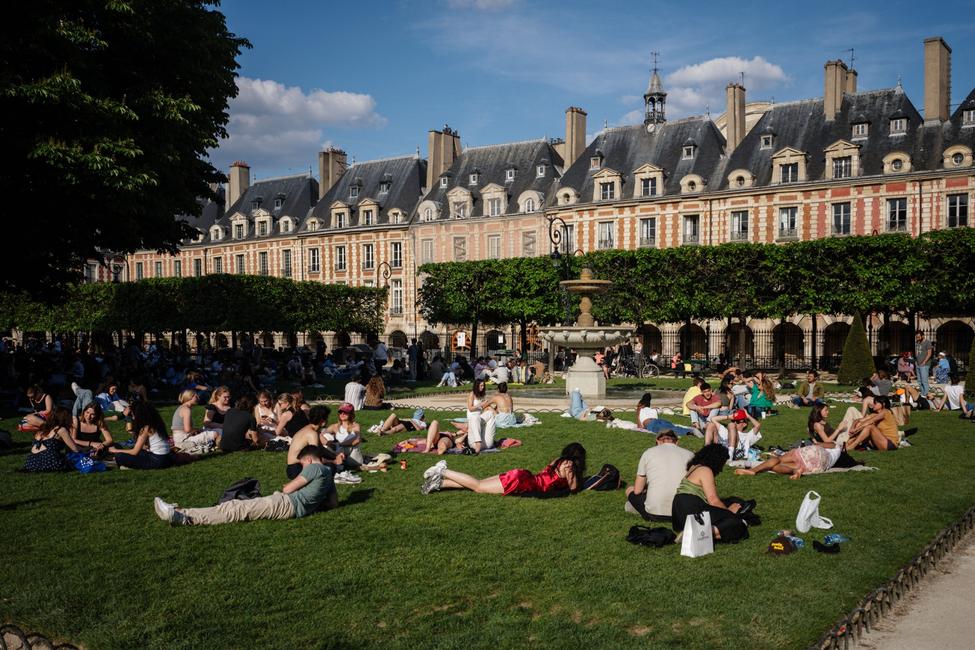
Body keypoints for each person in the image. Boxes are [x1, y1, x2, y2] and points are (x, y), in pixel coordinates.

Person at [153, 445, 338, 526]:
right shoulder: (328, 474)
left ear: (308, 459)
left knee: (235, 509)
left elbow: (288, 489)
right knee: (237, 507)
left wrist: (293, 485)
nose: (302, 467)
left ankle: (183, 516)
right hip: (293, 507)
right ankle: (184, 512)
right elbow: (332, 503)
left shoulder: (314, 467)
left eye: (302, 464)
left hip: (286, 503)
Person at [420, 442, 586, 496]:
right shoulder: (570, 466)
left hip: (524, 476)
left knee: (479, 483)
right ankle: (443, 470)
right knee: (479, 487)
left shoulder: (559, 460)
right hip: (522, 483)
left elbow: (546, 473)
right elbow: (573, 488)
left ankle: (439, 483)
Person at [670, 444, 749, 542]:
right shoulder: (705, 470)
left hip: (678, 511)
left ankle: (697, 533)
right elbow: (713, 500)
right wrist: (729, 512)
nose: (721, 469)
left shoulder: (694, 467)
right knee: (738, 524)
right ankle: (698, 533)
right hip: (692, 507)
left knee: (730, 504)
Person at [624, 429, 693, 522]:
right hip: (685, 513)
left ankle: (637, 508)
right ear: (676, 442)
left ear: (657, 441)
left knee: (630, 490)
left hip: (655, 514)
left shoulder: (648, 453)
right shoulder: (690, 455)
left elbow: (637, 491)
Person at [285, 405, 344, 479]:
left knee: (331, 465)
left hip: (297, 467)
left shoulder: (311, 429)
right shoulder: (312, 433)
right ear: (322, 421)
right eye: (327, 418)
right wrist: (334, 461)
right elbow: (315, 459)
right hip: (296, 468)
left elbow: (321, 449)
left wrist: (335, 456)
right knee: (331, 467)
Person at [109, 403, 175, 470]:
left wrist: (116, 450)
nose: (133, 417)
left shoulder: (146, 428)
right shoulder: (157, 424)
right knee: (138, 451)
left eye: (133, 414)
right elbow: (143, 447)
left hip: (156, 461)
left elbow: (134, 452)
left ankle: (126, 465)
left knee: (120, 456)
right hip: (167, 458)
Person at [23, 407, 80, 472]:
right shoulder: (61, 430)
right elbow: (75, 449)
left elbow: (28, 417)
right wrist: (88, 449)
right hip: (50, 462)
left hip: (31, 462)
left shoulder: (43, 428)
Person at [634, 392, 698, 437]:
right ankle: (691, 431)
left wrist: (637, 416)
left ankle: (689, 432)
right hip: (660, 420)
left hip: (651, 423)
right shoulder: (653, 410)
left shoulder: (639, 411)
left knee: (667, 431)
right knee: (673, 427)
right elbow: (659, 412)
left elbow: (640, 427)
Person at [466, 378, 496, 453]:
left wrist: (489, 406)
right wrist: (480, 404)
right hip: (472, 416)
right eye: (481, 385)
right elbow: (470, 408)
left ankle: (487, 440)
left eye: (483, 386)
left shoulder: (482, 395)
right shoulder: (472, 394)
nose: (482, 387)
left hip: (480, 417)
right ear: (477, 386)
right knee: (475, 417)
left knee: (490, 413)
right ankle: (478, 442)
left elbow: (483, 407)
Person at [915, 330, 933, 396]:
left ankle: (926, 394)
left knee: (924, 380)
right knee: (919, 380)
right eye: (916, 337)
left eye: (919, 337)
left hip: (924, 364)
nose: (917, 338)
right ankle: (922, 393)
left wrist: (924, 362)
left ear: (923, 336)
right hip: (918, 363)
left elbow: (929, 353)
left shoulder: (927, 342)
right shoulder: (917, 342)